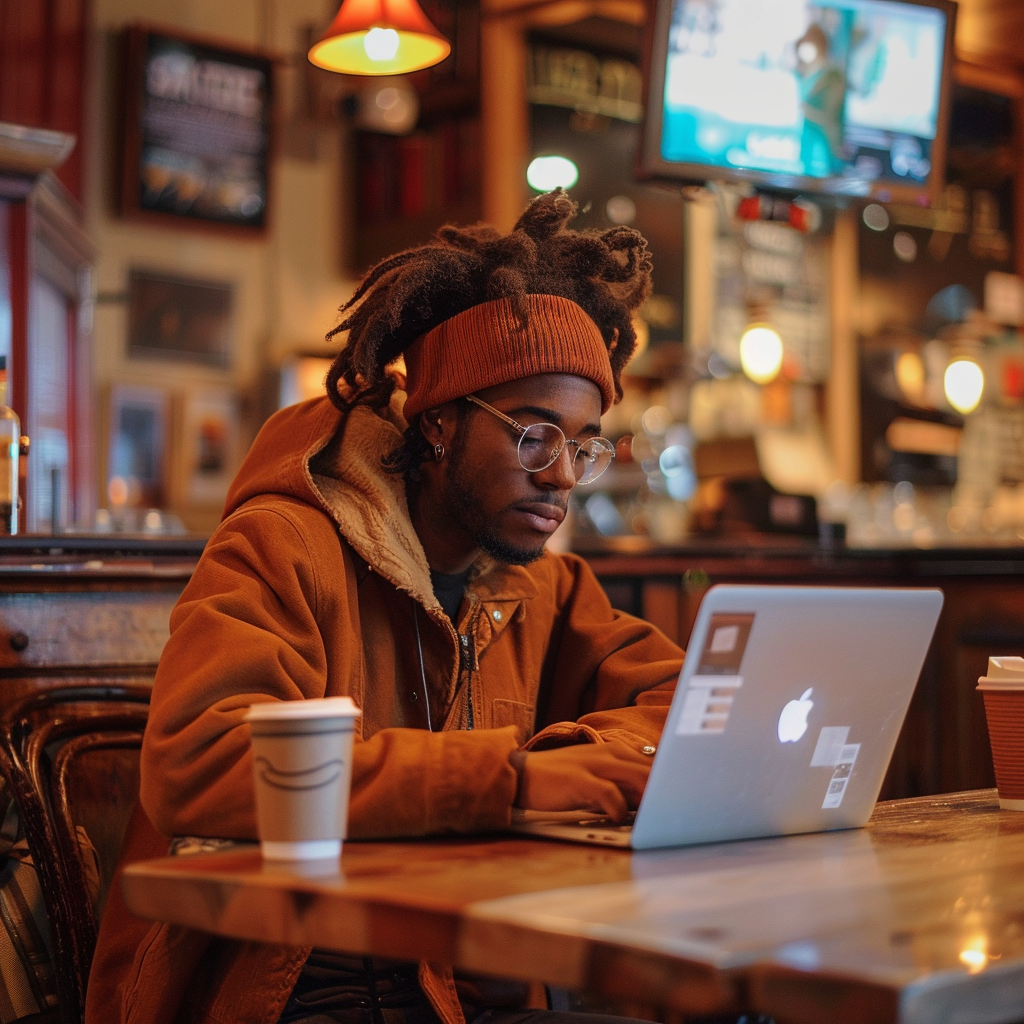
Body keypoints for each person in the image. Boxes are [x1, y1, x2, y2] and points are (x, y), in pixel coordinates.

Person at [85, 189, 685, 1024]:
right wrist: (510, 782)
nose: (561, 478)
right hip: (289, 985)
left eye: (582, 447)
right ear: (438, 425)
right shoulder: (283, 544)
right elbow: (200, 760)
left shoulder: (543, 583)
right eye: (533, 436)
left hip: (477, 976)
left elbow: (682, 708)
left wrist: (572, 761)